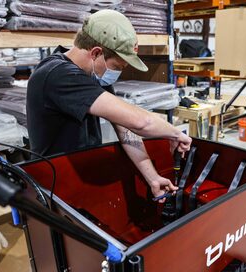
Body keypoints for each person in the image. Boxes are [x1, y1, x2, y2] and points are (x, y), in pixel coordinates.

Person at [26, 10, 192, 202]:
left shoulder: (93, 74)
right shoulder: (57, 75)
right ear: (96, 52)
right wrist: (175, 133)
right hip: (55, 184)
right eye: (118, 67)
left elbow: (126, 129)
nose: (118, 73)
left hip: (81, 177)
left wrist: (152, 177)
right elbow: (141, 123)